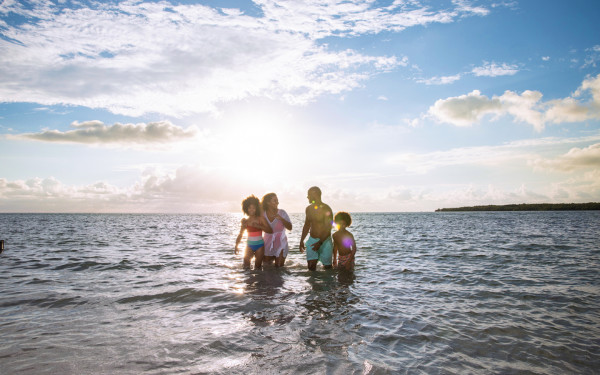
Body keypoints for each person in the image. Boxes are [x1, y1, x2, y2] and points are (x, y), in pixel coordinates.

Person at [299, 186, 333, 271]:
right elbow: (307, 225)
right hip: (312, 240)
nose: (307, 197)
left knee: (328, 268)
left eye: (308, 195)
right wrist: (301, 240)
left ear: (314, 194)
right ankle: (313, 284)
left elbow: (328, 228)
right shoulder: (308, 209)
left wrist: (320, 243)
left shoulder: (326, 208)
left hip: (325, 241)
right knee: (311, 267)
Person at [235, 195, 273, 269]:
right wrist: (236, 245)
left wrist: (259, 226)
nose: (251, 210)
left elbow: (270, 230)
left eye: (253, 208)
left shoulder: (260, 219)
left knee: (258, 267)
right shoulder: (245, 221)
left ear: (256, 209)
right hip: (249, 245)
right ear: (246, 209)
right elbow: (240, 234)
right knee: (246, 266)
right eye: (249, 208)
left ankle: (259, 280)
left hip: (260, 246)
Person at [261, 193, 292, 267]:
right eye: (274, 200)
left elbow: (290, 227)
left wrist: (281, 218)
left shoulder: (282, 212)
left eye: (277, 200)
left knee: (279, 267)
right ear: (268, 203)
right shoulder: (263, 214)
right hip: (267, 242)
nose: (277, 202)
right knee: (267, 268)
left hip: (281, 242)